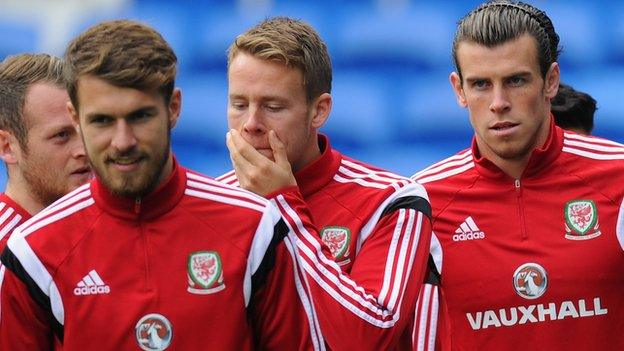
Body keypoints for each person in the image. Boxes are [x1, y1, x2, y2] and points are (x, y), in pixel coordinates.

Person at [0, 20, 322, 350]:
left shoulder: (255, 226)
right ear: (75, 116)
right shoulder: (33, 251)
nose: (122, 141)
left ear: (173, 109)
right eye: (102, 121)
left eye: (140, 117)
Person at [412, 1, 624, 350]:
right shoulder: (421, 201)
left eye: (516, 80)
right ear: (459, 90)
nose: (498, 102)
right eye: (481, 84)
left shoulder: (617, 177)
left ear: (550, 81)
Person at [219, 17, 433, 350]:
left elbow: (368, 337)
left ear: (319, 111)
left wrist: (283, 204)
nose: (251, 124)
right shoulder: (213, 204)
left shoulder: (391, 201)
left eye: (273, 107)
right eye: (238, 104)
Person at [0, 53, 91, 250]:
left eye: (86, 130)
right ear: (7, 147)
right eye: (61, 135)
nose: (84, 150)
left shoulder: (106, 232)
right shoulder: (5, 253)